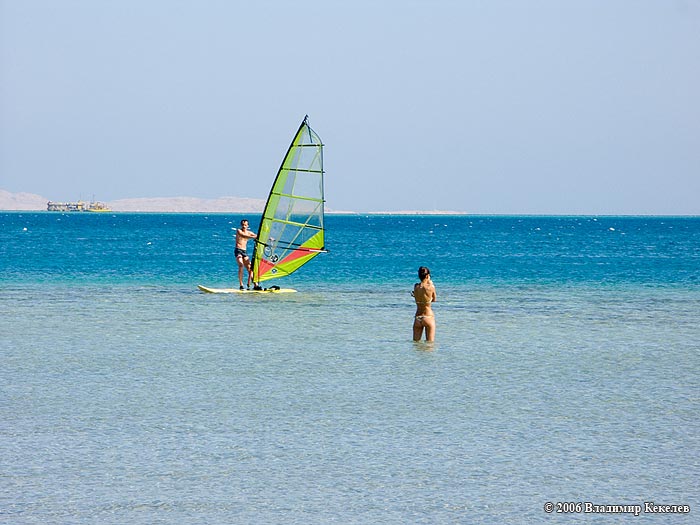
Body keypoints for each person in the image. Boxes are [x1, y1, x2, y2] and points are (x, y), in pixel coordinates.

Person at [412, 266, 437, 342]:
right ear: (427, 276)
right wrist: (430, 282)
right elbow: (434, 299)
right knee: (430, 344)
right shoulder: (431, 287)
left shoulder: (416, 287)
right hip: (428, 316)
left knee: (416, 343)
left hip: (418, 317)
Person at [234, 219, 257, 289]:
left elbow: (258, 236)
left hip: (244, 251)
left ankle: (256, 284)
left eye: (245, 225)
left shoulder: (249, 233)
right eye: (243, 225)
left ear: (248, 226)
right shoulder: (239, 231)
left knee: (249, 268)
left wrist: (269, 239)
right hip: (238, 250)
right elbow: (244, 236)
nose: (244, 226)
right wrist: (254, 237)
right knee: (241, 265)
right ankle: (241, 285)